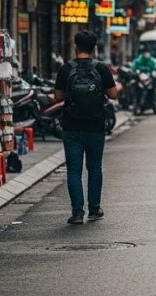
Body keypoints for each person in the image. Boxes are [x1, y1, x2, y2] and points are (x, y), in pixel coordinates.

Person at [54, 31, 118, 224]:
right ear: (94, 48)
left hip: (71, 126)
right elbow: (113, 95)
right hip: (96, 126)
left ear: (75, 47)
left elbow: (58, 97)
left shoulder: (66, 69)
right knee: (94, 167)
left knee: (74, 169)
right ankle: (95, 209)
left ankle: (77, 213)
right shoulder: (101, 68)